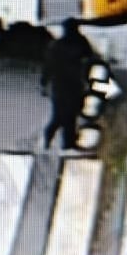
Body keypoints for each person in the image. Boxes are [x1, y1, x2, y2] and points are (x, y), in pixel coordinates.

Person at [40, 17, 96, 154]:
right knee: (69, 114)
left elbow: (49, 66)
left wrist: (44, 82)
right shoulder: (81, 43)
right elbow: (90, 60)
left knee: (60, 115)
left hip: (61, 84)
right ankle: (67, 143)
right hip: (73, 83)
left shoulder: (57, 45)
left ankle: (51, 140)